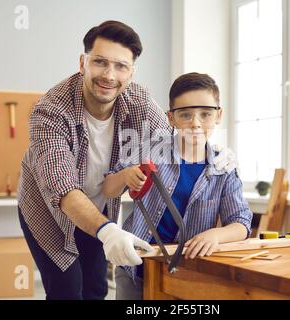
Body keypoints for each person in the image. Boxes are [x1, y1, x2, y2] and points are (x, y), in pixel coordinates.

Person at [17, 21, 237, 300]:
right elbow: (62, 188)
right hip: (49, 211)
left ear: (131, 73)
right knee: (68, 290)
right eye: (100, 62)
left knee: (95, 289)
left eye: (121, 66)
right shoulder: (49, 112)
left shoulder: (138, 102)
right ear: (83, 63)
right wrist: (108, 231)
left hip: (99, 209)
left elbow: (175, 140)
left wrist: (216, 158)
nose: (109, 75)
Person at [102, 72, 253, 300]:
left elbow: (241, 224)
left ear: (219, 115)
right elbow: (107, 189)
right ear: (170, 118)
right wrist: (124, 176)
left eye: (205, 114)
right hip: (136, 268)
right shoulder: (148, 150)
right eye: (185, 115)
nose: (196, 123)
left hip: (188, 272)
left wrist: (215, 235)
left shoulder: (225, 166)